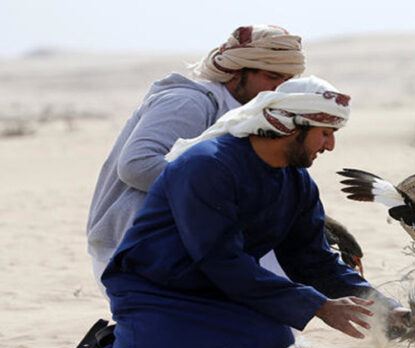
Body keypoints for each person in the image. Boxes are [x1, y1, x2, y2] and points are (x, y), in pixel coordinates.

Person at [70, 76, 406, 348]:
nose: (330, 145)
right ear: (290, 126)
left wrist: (384, 307)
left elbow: (314, 261)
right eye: (324, 133)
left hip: (219, 289)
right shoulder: (207, 165)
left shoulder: (298, 183)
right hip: (155, 288)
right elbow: (219, 259)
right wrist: (319, 306)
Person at [86, 25, 304, 296]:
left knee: (282, 304)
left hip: (195, 244)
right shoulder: (188, 101)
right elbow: (137, 165)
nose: (278, 89)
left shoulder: (245, 115)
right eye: (272, 77)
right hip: (134, 251)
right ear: (237, 72)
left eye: (287, 81)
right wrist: (226, 195)